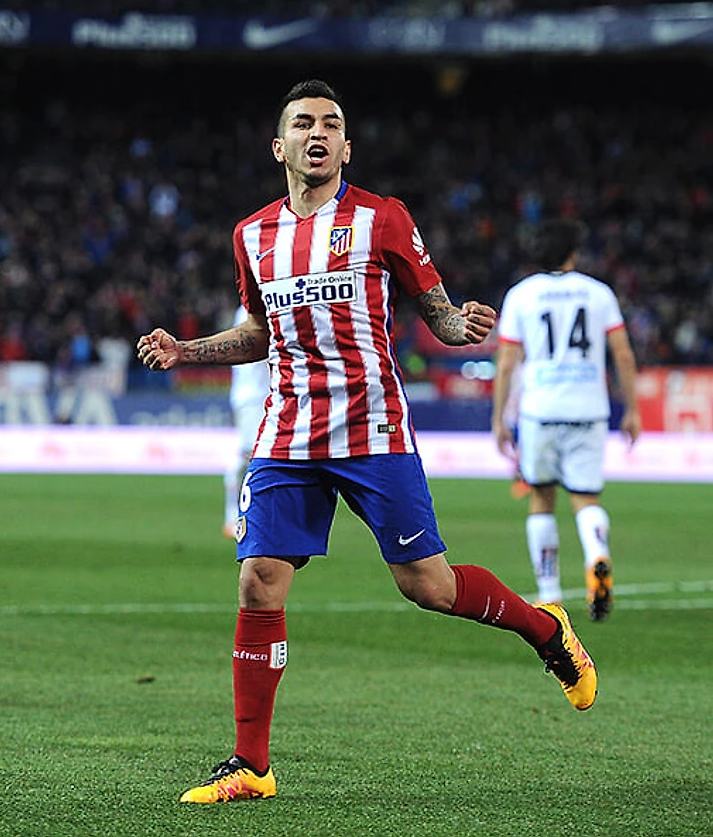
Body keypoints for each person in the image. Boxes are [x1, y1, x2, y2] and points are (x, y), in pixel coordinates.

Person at [137, 80, 598, 805]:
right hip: (288, 430)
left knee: (428, 587)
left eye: (331, 124)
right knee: (258, 578)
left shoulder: (383, 219)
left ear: (346, 147)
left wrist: (461, 326)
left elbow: (437, 311)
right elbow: (259, 333)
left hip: (372, 427)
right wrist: (186, 350)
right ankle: (251, 764)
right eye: (303, 123)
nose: (317, 133)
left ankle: (546, 629)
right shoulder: (251, 235)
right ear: (280, 146)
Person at [492, 218, 641, 622]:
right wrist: (632, 408)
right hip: (589, 409)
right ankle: (597, 555)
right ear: (573, 253)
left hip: (540, 410)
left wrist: (499, 418)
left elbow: (506, 363)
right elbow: (623, 355)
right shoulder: (599, 293)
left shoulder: (521, 295)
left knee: (541, 497)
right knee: (586, 498)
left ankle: (550, 595)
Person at [223, 304, 271, 539]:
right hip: (253, 397)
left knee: (263, 457)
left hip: (266, 395)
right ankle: (233, 517)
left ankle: (258, 516)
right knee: (249, 455)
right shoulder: (249, 312)